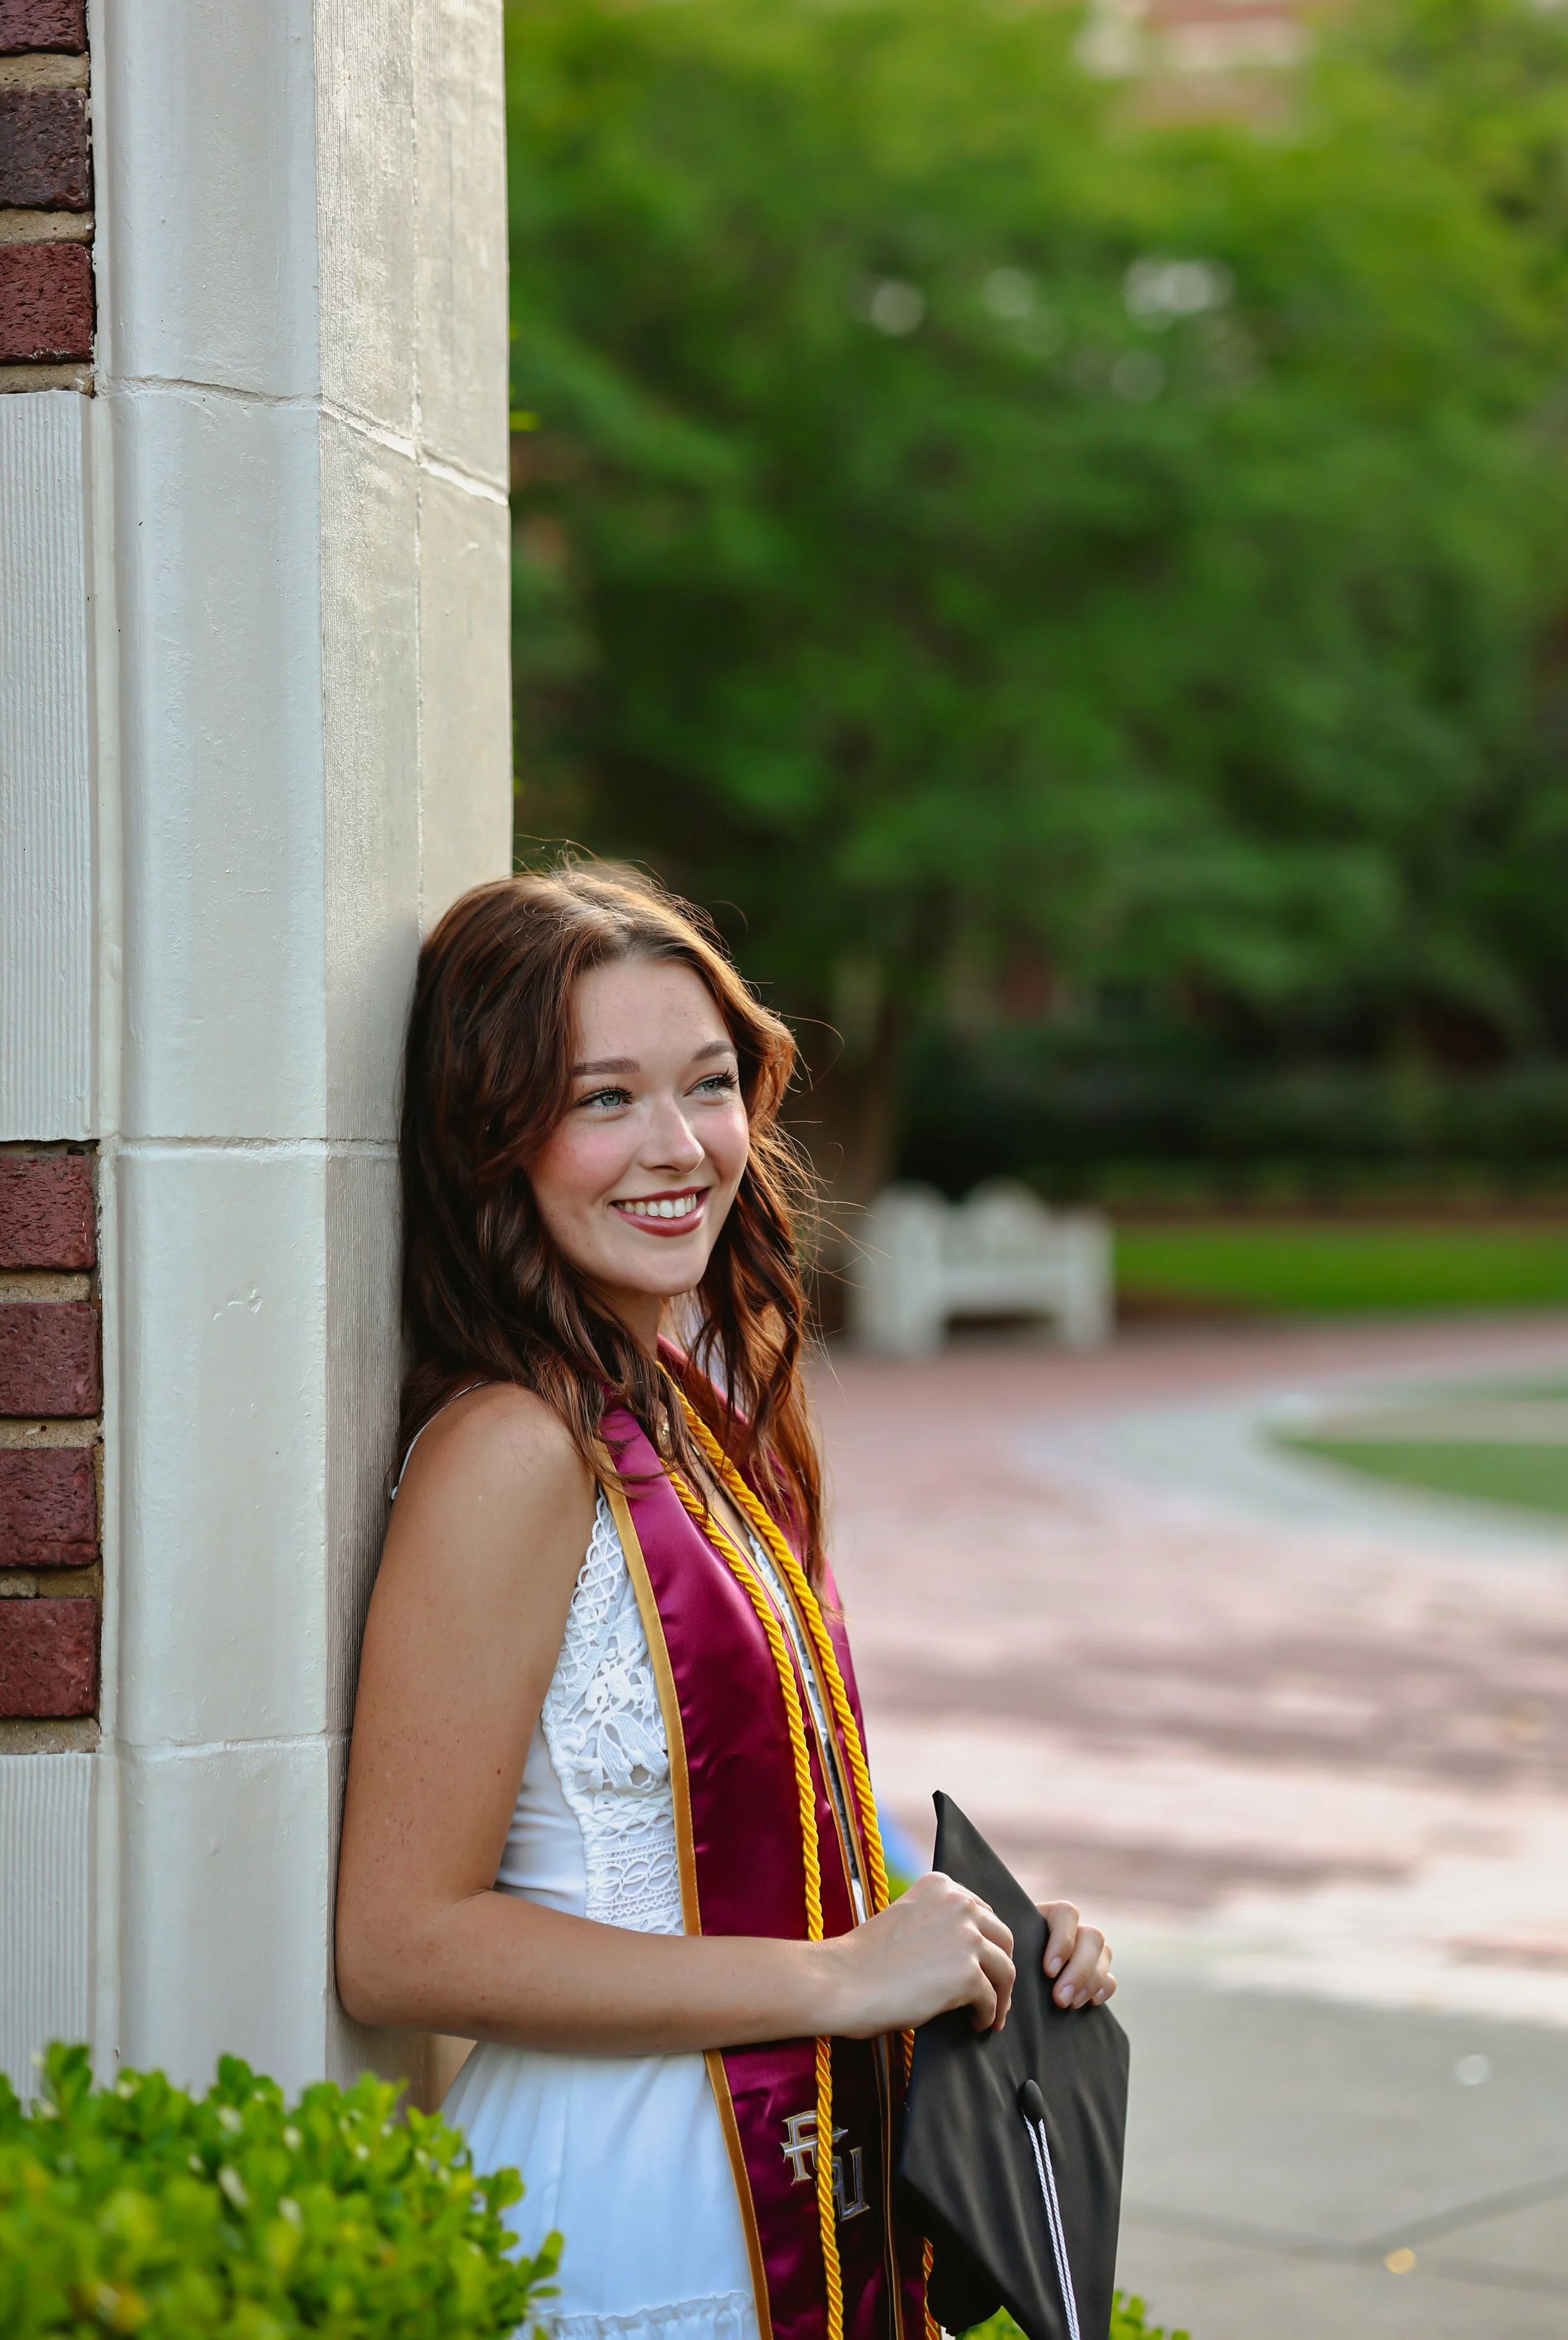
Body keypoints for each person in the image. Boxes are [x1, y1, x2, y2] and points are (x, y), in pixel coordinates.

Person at [335, 863, 1114, 2340]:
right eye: (603, 1098)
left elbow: (727, 1823)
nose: (680, 1146)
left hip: (804, 2155)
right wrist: (832, 1978)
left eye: (706, 1084)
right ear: (490, 1137)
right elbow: (398, 1941)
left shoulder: (695, 1419)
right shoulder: (511, 1450)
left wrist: (967, 1935)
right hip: (630, 2213)